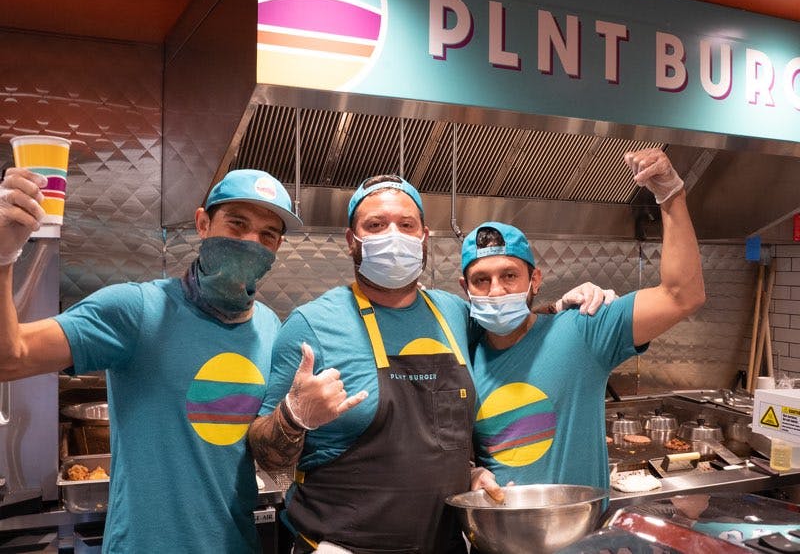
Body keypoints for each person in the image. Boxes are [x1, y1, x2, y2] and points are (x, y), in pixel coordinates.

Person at [247, 174, 615, 554]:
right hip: (341, 546)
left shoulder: (453, 312)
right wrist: (294, 418)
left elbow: (507, 328)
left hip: (445, 544)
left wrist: (557, 309)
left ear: (424, 236)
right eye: (375, 225)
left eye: (406, 225)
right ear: (350, 241)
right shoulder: (310, 326)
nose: (393, 236)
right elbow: (266, 454)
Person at [0, 167, 304, 553]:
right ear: (203, 224)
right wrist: (4, 253)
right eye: (237, 224)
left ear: (276, 249)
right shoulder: (136, 310)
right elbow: (10, 358)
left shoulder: (269, 328)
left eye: (267, 235)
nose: (250, 242)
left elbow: (268, 450)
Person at [460, 148, 706, 493]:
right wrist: (469, 472)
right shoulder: (462, 357)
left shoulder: (584, 329)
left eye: (509, 276)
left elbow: (682, 295)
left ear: (535, 280)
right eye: (481, 280)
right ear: (465, 288)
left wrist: (671, 195)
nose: (497, 291)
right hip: (500, 536)